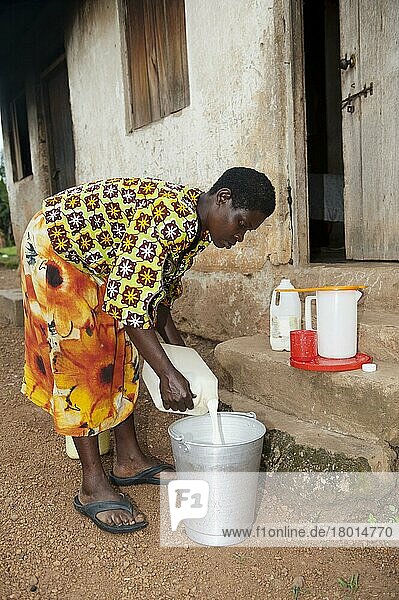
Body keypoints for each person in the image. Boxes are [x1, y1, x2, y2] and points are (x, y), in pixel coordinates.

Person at [20, 167, 275, 533]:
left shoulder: (196, 229)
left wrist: (182, 361)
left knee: (123, 352)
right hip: (57, 250)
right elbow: (133, 309)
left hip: (95, 258)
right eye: (241, 224)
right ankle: (92, 484)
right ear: (223, 199)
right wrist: (168, 374)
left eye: (247, 231)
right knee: (85, 357)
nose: (239, 236)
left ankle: (129, 460)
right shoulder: (173, 222)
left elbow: (157, 304)